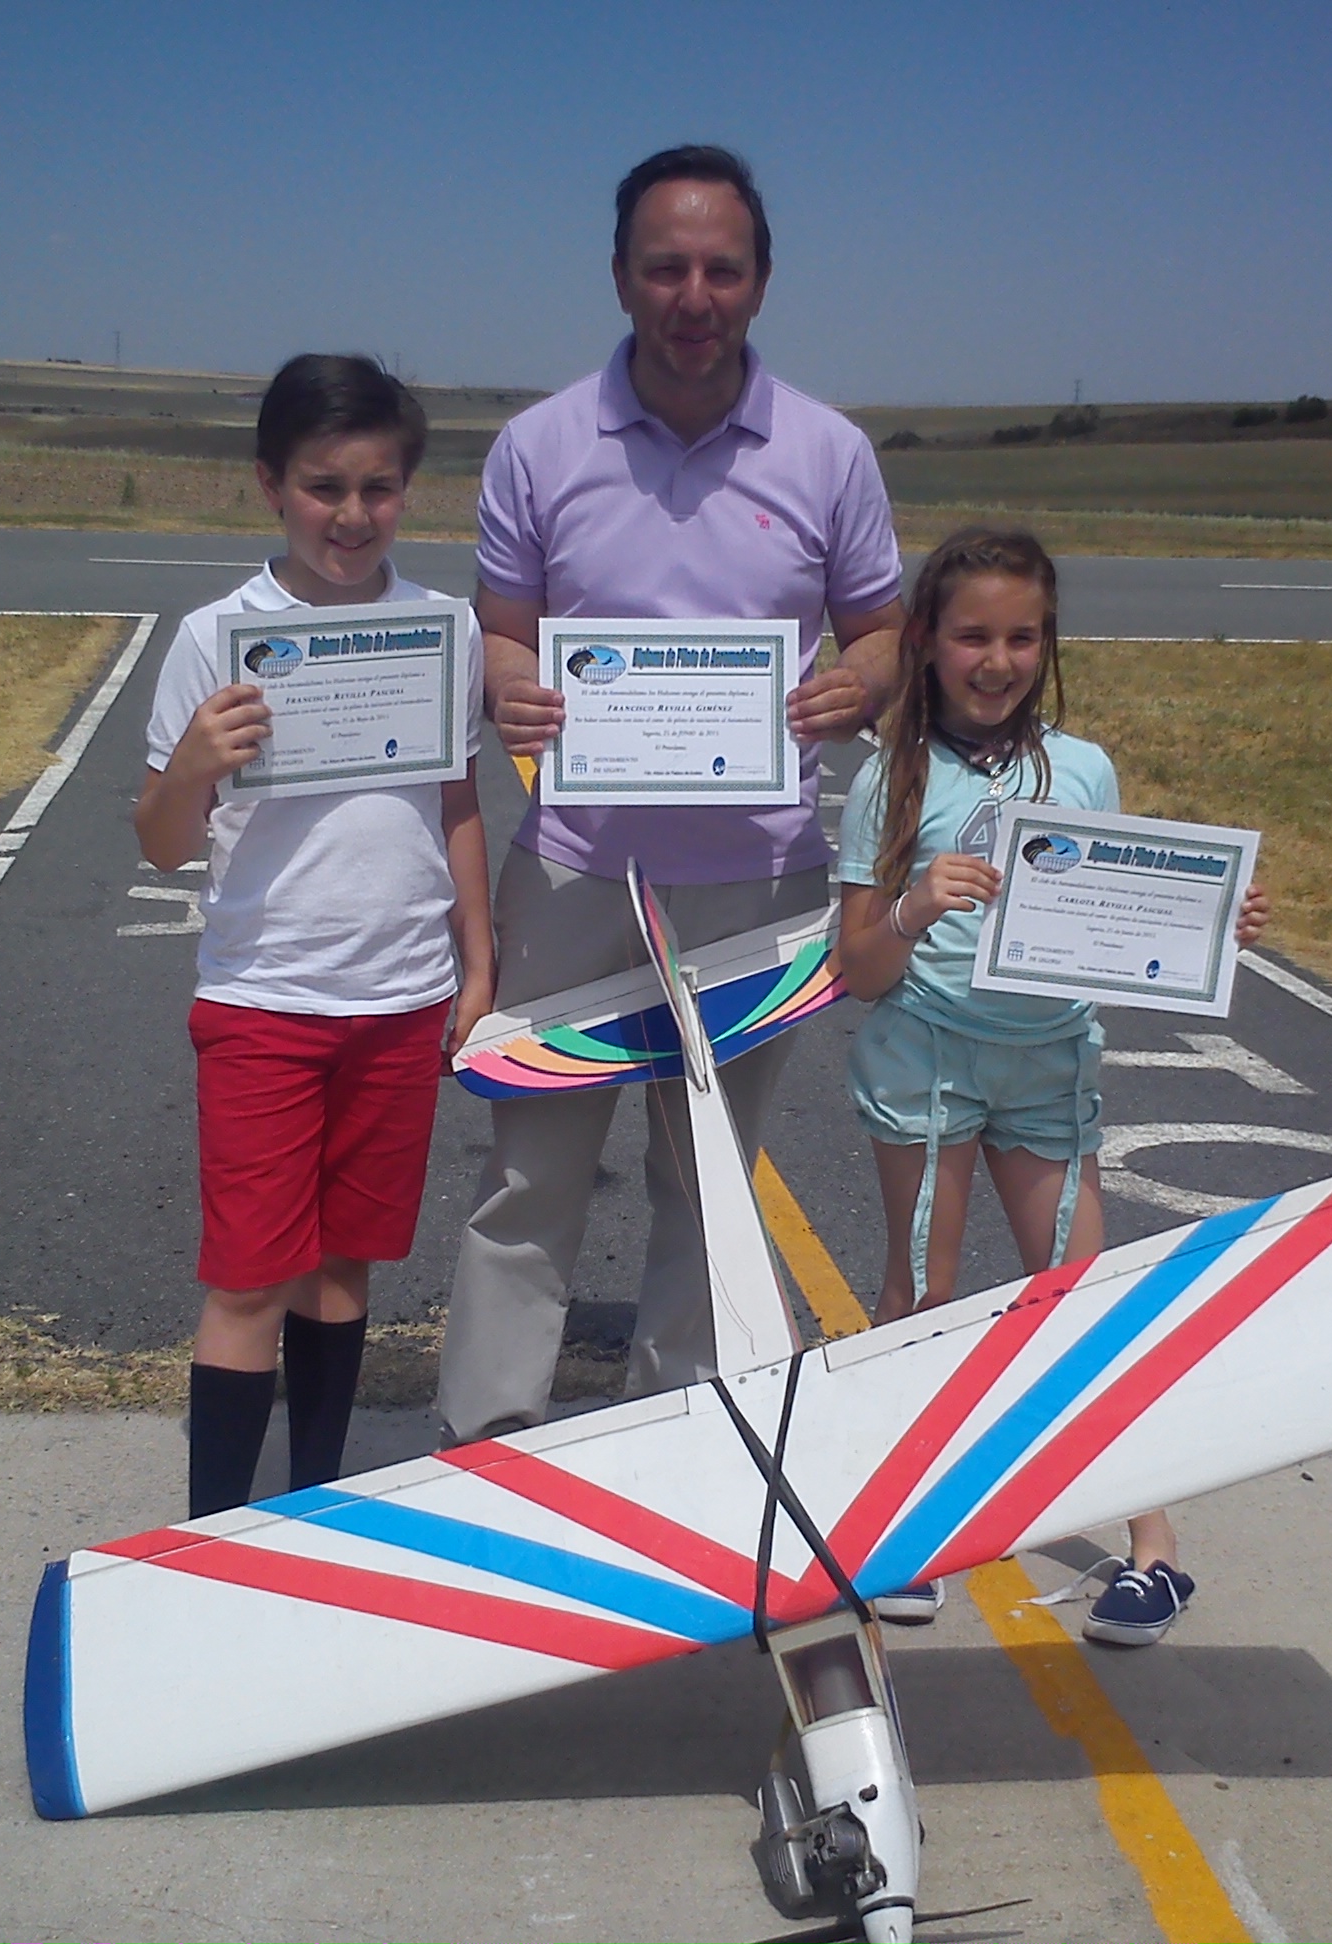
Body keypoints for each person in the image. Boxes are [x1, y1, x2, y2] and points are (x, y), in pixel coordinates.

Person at [436, 144, 908, 1443]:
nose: (692, 294)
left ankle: (678, 1449)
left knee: (711, 1185)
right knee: (530, 1179)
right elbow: (507, 631)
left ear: (758, 282)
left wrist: (856, 688)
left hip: (758, 887)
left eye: (720, 268)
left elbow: (880, 630)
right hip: (579, 876)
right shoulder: (540, 447)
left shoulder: (828, 452)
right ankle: (486, 1457)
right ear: (620, 278)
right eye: (666, 268)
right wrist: (513, 687)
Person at [832, 527, 1270, 1644]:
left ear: (1048, 642)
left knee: (1076, 1298)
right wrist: (919, 903)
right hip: (925, 1056)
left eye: (1022, 636)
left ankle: (1154, 1547)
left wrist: (1211, 928)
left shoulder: (1082, 769)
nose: (998, 659)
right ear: (925, 641)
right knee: (918, 1302)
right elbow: (858, 970)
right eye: (973, 635)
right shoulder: (890, 776)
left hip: (1048, 1065)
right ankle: (903, 1529)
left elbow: (1113, 924)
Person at [138, 353, 493, 1518]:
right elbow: (159, 844)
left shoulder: (441, 628)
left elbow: (455, 803)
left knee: (345, 1268)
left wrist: (476, 962)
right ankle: (214, 1535)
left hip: (397, 1001)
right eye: (323, 487)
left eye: (378, 488)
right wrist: (191, 766)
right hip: (265, 1000)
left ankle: (312, 1511)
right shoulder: (218, 637)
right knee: (250, 1277)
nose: (351, 515)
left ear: (409, 490)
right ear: (269, 486)